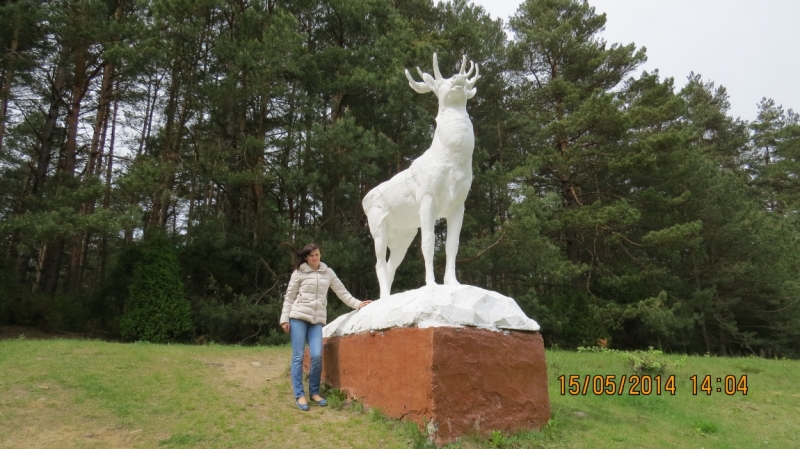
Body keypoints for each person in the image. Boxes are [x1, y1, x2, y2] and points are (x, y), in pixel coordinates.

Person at [280, 243, 372, 411]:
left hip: (316, 320)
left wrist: (358, 304)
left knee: (316, 355)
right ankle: (299, 395)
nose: (315, 258)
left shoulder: (327, 272)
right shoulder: (299, 273)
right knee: (298, 356)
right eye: (311, 256)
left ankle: (314, 393)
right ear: (306, 258)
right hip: (298, 317)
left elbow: (342, 292)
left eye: (317, 254)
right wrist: (284, 319)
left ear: (320, 255)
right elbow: (289, 297)